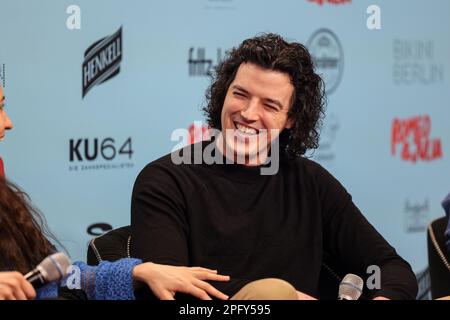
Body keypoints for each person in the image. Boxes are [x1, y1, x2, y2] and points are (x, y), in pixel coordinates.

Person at [131, 33, 418, 300]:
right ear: (224, 92)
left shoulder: (310, 182)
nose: (248, 113)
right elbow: (169, 294)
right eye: (240, 94)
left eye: (269, 105)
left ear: (292, 118)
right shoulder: (166, 180)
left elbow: (390, 269)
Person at [0, 85, 230, 300]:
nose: (8, 122)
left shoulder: (6, 201)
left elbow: (63, 281)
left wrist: (138, 272)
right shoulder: (163, 179)